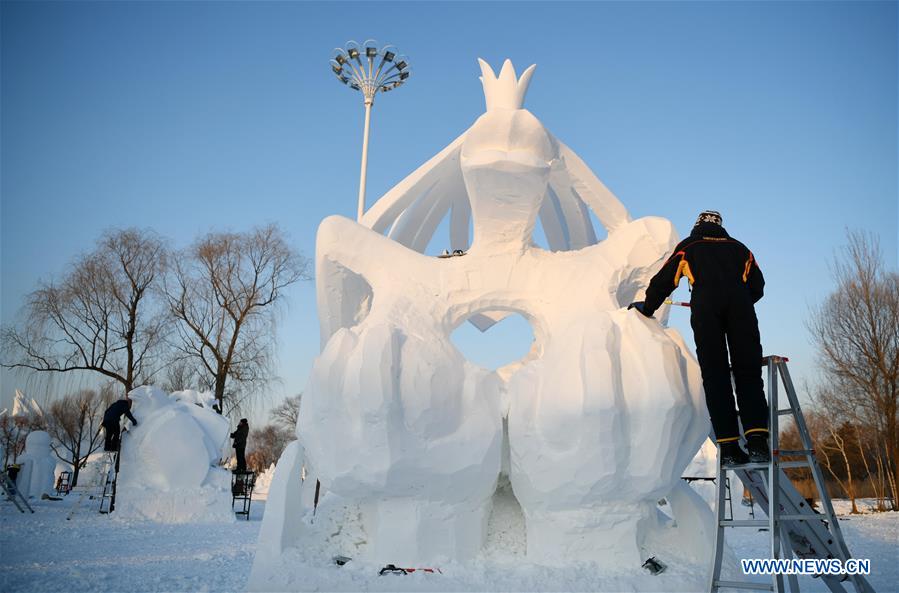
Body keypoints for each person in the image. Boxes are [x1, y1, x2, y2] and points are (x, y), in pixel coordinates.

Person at [628, 210, 769, 466]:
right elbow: (758, 287)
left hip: (706, 310)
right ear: (721, 227)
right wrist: (738, 300)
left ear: (697, 226)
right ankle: (758, 443)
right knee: (748, 372)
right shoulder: (740, 249)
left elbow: (664, 280)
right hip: (741, 309)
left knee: (716, 376)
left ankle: (728, 448)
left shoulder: (689, 246)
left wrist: (647, 308)